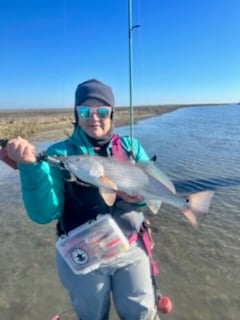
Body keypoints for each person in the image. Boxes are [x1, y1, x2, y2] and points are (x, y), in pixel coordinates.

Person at [7, 79, 160, 320]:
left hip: (131, 247)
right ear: (76, 114)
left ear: (111, 113)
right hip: (83, 252)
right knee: (92, 315)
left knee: (141, 313)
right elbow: (43, 214)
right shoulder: (60, 154)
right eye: (85, 111)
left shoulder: (131, 147)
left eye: (101, 111)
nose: (94, 118)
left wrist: (140, 200)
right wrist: (30, 169)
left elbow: (155, 194)